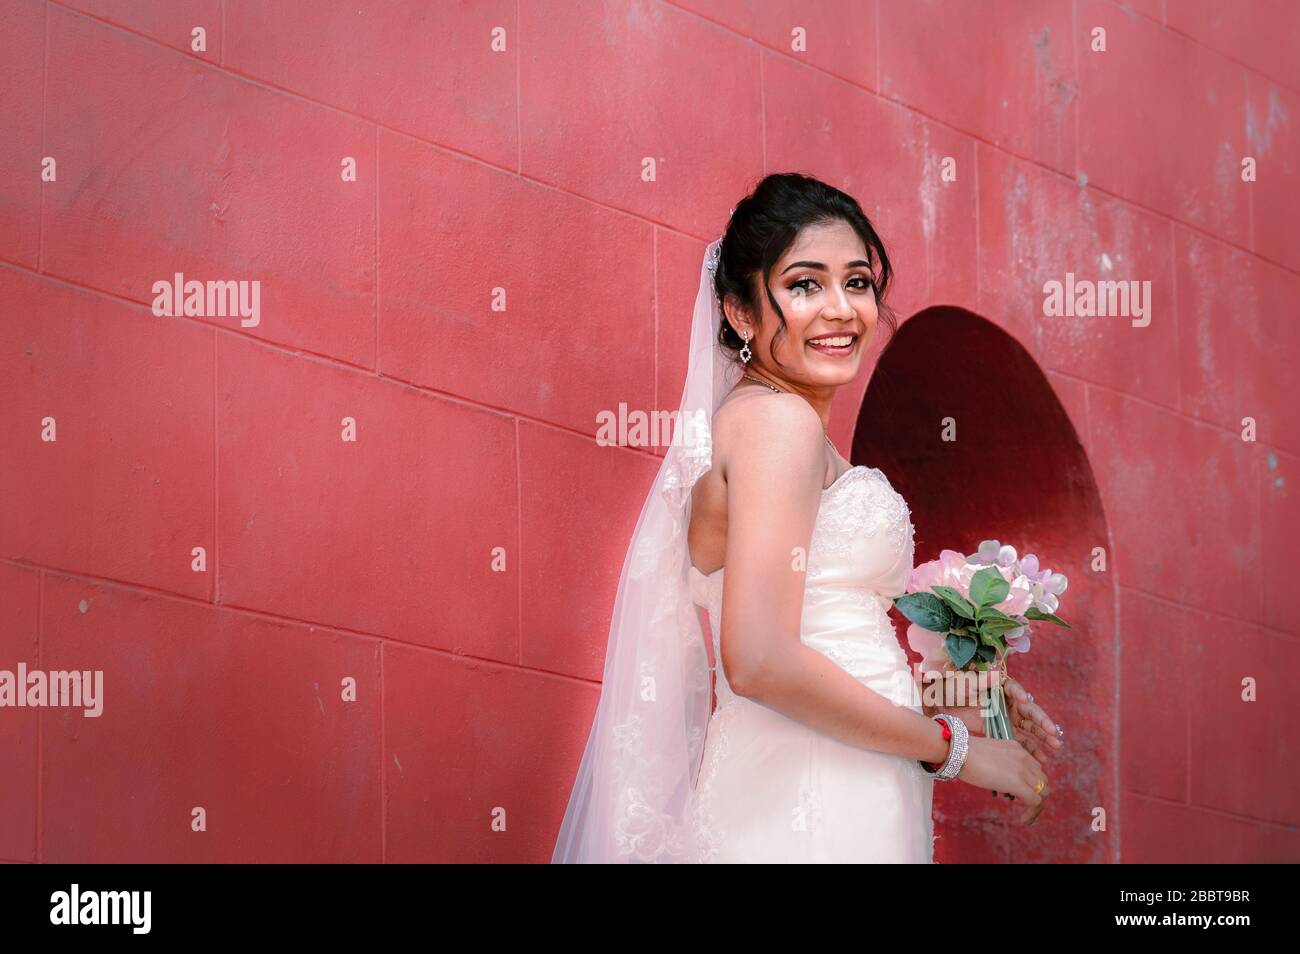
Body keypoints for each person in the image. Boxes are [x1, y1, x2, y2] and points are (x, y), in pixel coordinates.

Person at [552, 173, 1061, 863]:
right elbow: (760, 659)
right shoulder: (776, 424)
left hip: (833, 777)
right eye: (803, 285)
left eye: (856, 282)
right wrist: (955, 750)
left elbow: (823, 641)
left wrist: (962, 686)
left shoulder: (774, 429)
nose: (841, 309)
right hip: (812, 793)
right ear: (739, 311)